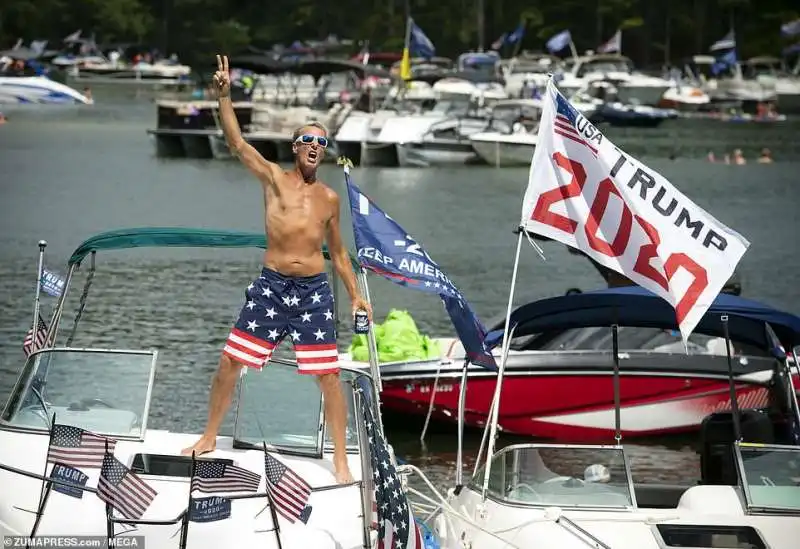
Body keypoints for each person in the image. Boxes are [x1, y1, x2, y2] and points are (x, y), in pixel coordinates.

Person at [181, 55, 373, 484]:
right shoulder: (272, 178)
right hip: (271, 288)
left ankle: (341, 459)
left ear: (325, 150)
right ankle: (209, 435)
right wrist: (224, 96)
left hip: (313, 293)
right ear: (294, 146)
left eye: (321, 142)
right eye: (307, 139)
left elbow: (338, 254)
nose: (313, 147)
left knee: (329, 375)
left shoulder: (329, 198)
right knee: (231, 361)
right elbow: (237, 144)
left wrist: (357, 293)